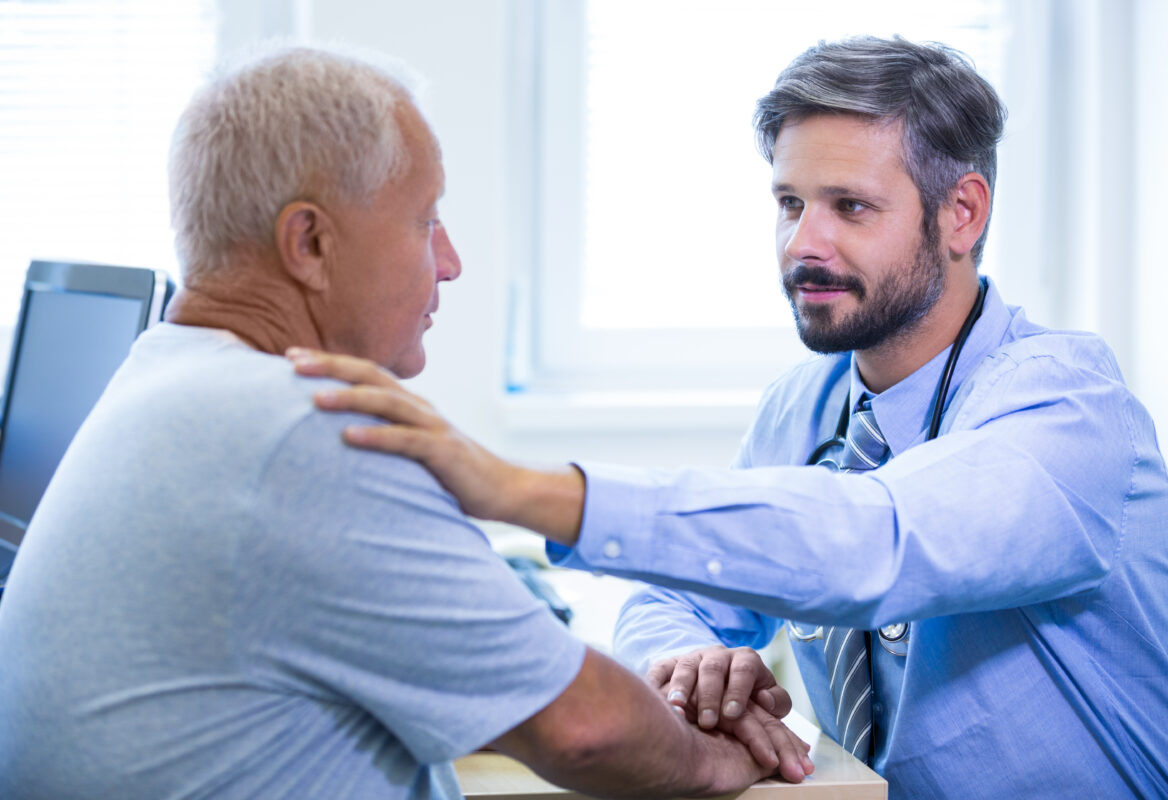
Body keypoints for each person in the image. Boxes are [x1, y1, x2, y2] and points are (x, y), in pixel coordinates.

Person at [289, 36, 1168, 799]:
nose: (804, 243)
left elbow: (877, 539)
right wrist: (687, 656)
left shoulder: (1067, 409)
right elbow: (674, 595)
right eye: (790, 203)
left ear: (961, 213)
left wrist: (530, 492)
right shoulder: (807, 404)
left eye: (850, 207)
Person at [0, 45, 814, 799]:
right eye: (426, 220)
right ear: (309, 243)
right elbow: (586, 729)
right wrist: (725, 758)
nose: (451, 262)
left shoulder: (167, 373)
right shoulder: (305, 430)